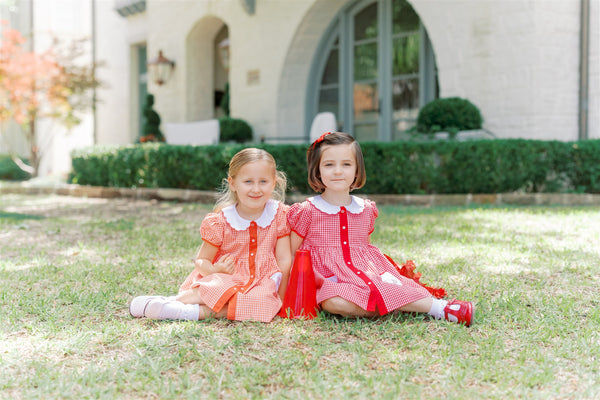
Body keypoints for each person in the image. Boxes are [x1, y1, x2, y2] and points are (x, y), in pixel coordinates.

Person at [287, 132, 474, 326]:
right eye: (329, 164)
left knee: (387, 286)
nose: (337, 171)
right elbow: (292, 254)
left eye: (346, 164)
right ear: (317, 170)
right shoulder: (307, 210)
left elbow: (364, 249)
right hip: (328, 278)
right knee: (333, 303)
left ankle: (441, 308)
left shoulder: (365, 209)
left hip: (365, 272)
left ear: (357, 170)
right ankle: (402, 306)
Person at [129, 148, 292, 322]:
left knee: (259, 303)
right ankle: (171, 301)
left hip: (261, 282)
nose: (256, 189)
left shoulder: (279, 215)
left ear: (274, 183)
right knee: (217, 285)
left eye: (263, 181)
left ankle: (181, 312)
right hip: (228, 276)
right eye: (248, 181)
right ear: (233, 183)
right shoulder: (221, 220)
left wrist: (281, 296)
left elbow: (284, 260)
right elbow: (201, 261)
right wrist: (214, 269)